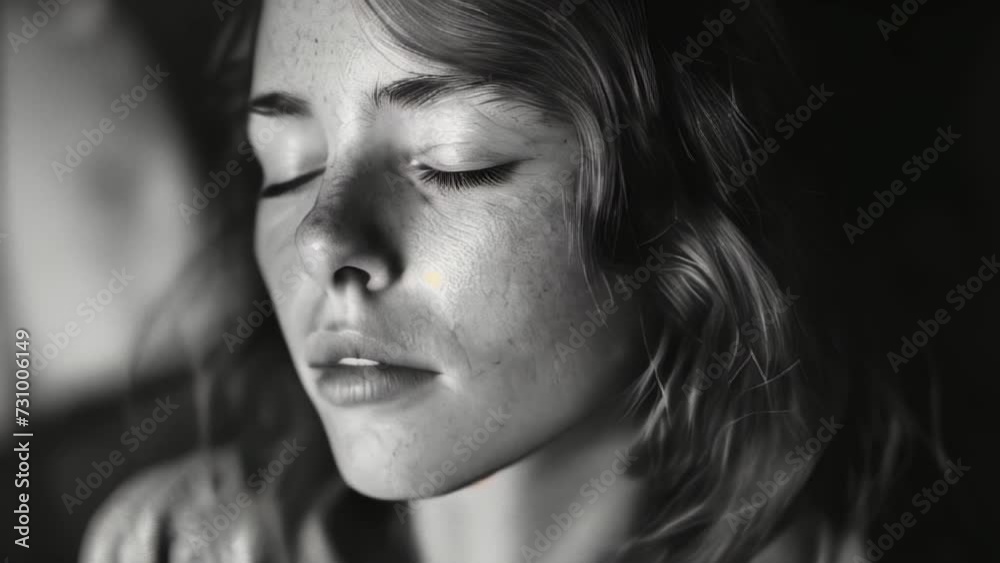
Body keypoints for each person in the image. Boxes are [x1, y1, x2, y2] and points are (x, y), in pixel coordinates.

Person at [81, 0, 917, 561]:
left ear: (685, 204)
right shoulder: (183, 544)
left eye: (455, 158)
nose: (321, 239)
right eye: (289, 166)